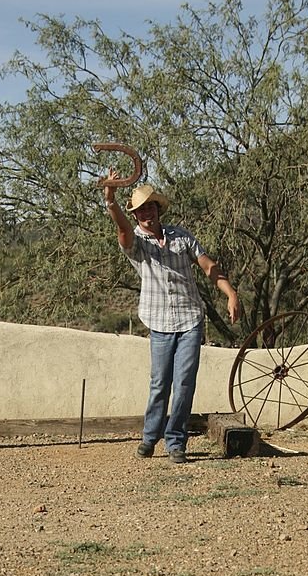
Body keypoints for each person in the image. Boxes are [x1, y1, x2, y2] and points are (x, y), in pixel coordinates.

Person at [103, 172, 240, 463]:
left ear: (157, 209)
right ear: (137, 215)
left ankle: (176, 442)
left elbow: (208, 266)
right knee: (160, 382)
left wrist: (230, 293)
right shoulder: (138, 243)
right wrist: (111, 203)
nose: (146, 213)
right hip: (159, 322)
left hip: (190, 318)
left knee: (185, 382)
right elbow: (123, 232)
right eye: (140, 210)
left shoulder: (182, 236)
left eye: (150, 207)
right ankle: (150, 437)